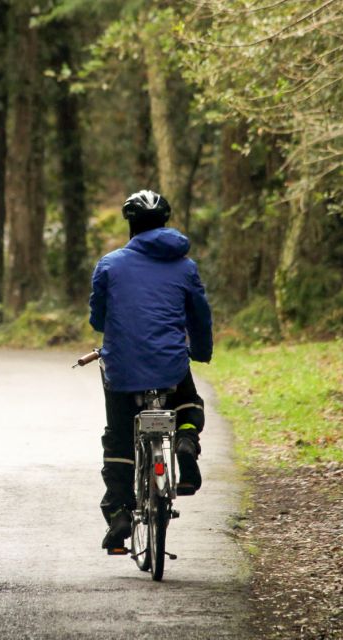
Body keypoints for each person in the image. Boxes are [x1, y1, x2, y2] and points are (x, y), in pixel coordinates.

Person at [88, 189, 213, 554]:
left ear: (131, 224)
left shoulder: (109, 264)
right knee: (187, 402)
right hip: (170, 366)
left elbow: (98, 318)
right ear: (165, 222)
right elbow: (199, 317)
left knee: (120, 435)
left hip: (123, 368)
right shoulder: (186, 266)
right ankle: (187, 443)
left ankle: (119, 510)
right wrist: (201, 351)